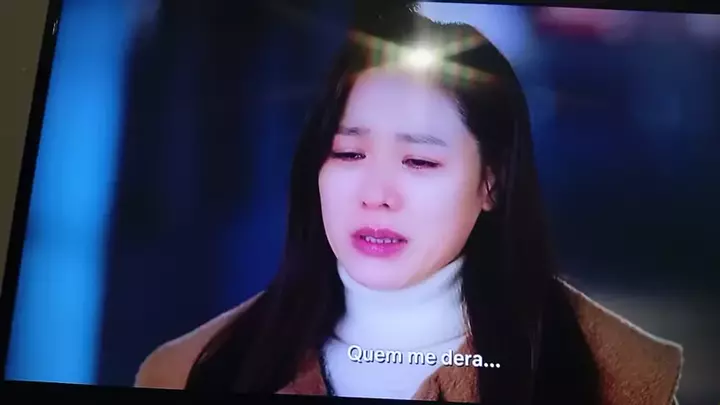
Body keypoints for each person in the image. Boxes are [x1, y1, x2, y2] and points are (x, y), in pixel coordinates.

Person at [134, 6, 683, 405]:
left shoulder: (612, 375)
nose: (376, 193)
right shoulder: (194, 368)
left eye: (419, 161)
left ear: (491, 184)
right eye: (348, 153)